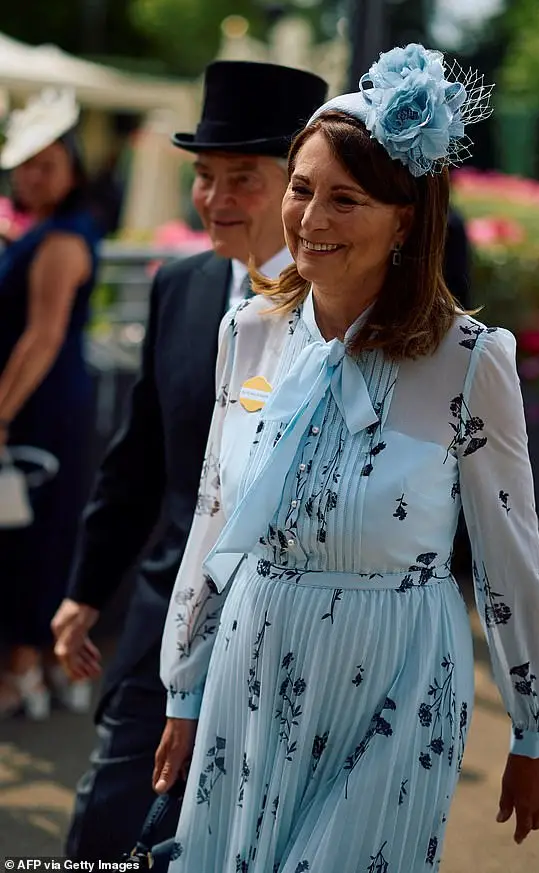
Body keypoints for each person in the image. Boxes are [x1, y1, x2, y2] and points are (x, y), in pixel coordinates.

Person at [154, 45, 539, 872]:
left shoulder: (469, 360)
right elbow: (214, 515)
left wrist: (537, 725)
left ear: (405, 218)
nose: (311, 219)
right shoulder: (248, 335)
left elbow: (508, 557)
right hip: (251, 670)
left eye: (346, 200)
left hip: (397, 684)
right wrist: (186, 686)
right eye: (303, 190)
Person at [50, 61, 328, 861]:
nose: (215, 197)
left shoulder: (345, 313)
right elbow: (137, 462)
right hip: (161, 627)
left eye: (243, 176)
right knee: (101, 831)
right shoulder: (182, 287)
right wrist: (83, 588)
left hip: (290, 646)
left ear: (297, 185)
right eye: (205, 176)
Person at [0, 89, 102, 720]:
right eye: (25, 163)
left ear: (72, 167)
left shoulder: (62, 239)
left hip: (39, 409)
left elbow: (43, 335)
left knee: (30, 538)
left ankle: (24, 673)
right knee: (34, 534)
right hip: (43, 403)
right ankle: (36, 672)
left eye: (48, 163)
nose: (33, 174)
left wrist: (1, 412)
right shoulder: (47, 231)